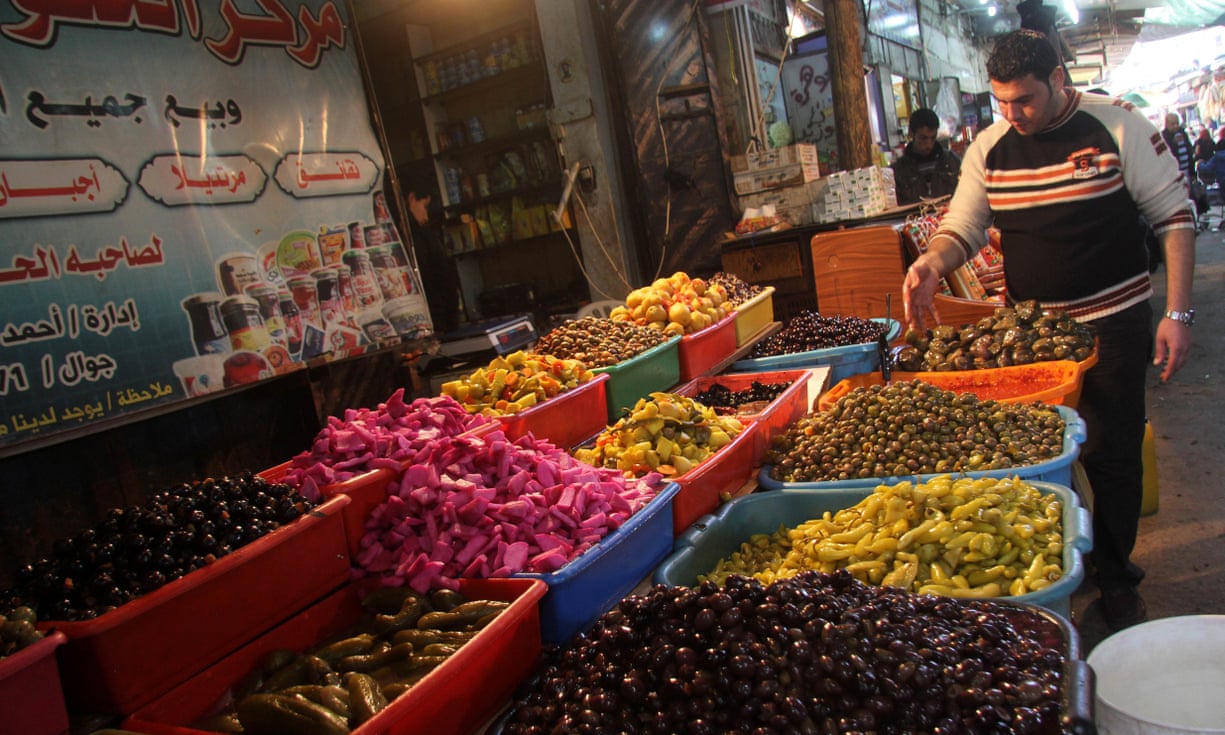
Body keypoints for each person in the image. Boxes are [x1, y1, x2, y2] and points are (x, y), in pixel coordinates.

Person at [901, 29, 1195, 631]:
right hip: (1028, 336)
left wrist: (1176, 314)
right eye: (1001, 102)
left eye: (1025, 100)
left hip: (1112, 322)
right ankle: (1052, 563)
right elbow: (966, 224)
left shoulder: (1117, 127)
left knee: (1113, 451)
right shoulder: (990, 146)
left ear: (1060, 79)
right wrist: (931, 263)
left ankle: (1115, 576)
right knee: (1035, 452)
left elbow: (1175, 218)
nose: (1013, 114)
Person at [405, 184, 461, 334]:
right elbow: (442, 275)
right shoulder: (420, 236)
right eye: (424, 206)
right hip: (435, 318)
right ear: (411, 198)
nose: (426, 216)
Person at [891, 108, 963, 204]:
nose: (929, 144)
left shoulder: (952, 162)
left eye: (933, 138)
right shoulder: (899, 170)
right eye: (923, 138)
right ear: (911, 133)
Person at [1161, 113, 1194, 184]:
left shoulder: (1182, 133)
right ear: (1166, 124)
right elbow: (1166, 155)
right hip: (1175, 175)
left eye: (1177, 123)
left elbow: (1189, 150)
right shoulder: (1164, 136)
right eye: (1172, 124)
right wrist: (1174, 143)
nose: (1176, 126)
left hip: (1187, 171)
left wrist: (1192, 172)